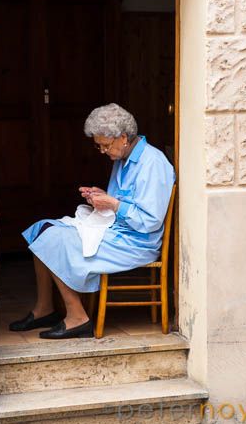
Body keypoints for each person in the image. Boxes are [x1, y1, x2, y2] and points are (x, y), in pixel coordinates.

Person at [9, 103, 176, 339]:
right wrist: (100, 197)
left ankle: (78, 317)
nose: (102, 151)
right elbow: (120, 203)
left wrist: (113, 203)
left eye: (105, 145)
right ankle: (45, 308)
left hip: (135, 243)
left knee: (53, 238)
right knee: (42, 228)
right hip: (116, 231)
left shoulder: (153, 163)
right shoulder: (123, 159)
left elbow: (150, 221)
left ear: (124, 137)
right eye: (98, 145)